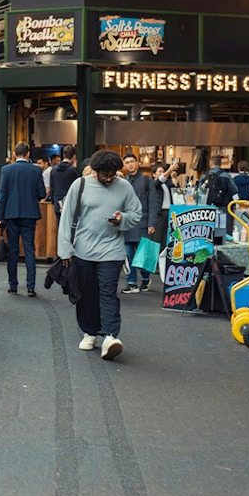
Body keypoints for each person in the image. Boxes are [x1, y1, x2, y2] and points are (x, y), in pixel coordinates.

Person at [57, 149, 142, 361]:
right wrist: (65, 249)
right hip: (83, 251)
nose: (110, 178)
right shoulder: (81, 185)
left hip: (112, 251)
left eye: (113, 174)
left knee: (108, 293)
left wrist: (121, 218)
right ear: (95, 171)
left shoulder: (124, 187)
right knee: (87, 294)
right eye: (106, 174)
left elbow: (136, 213)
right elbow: (66, 218)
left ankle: (110, 336)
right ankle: (90, 331)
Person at [0, 142, 46, 296]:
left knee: (13, 251)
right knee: (29, 249)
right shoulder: (36, 170)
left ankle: (13, 286)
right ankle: (30, 287)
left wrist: (1, 217)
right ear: (28, 154)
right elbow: (42, 194)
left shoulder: (6, 170)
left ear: (14, 154)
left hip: (11, 214)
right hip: (30, 214)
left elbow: (3, 194)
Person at [121, 153, 161, 294]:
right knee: (128, 254)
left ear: (137, 163)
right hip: (127, 223)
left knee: (143, 254)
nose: (130, 164)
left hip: (143, 222)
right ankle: (131, 282)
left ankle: (145, 278)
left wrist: (152, 223)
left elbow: (153, 203)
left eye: (132, 161)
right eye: (127, 162)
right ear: (124, 165)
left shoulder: (146, 180)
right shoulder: (123, 182)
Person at [49, 145, 80, 218]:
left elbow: (52, 188)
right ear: (74, 156)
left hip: (58, 204)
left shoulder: (54, 169)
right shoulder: (73, 171)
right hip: (70, 204)